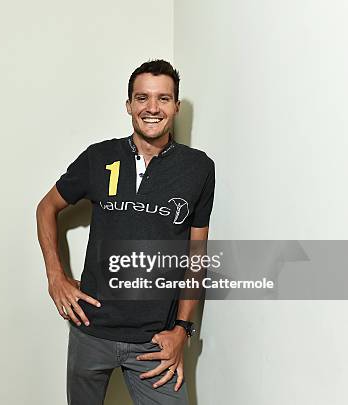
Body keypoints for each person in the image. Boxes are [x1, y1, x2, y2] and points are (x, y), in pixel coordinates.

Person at [36, 59, 215, 405]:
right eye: (142, 98)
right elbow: (46, 208)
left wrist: (183, 329)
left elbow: (196, 255)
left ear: (176, 106)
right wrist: (56, 276)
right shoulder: (98, 157)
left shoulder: (199, 167)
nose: (152, 108)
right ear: (129, 105)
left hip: (155, 343)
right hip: (91, 332)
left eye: (163, 99)